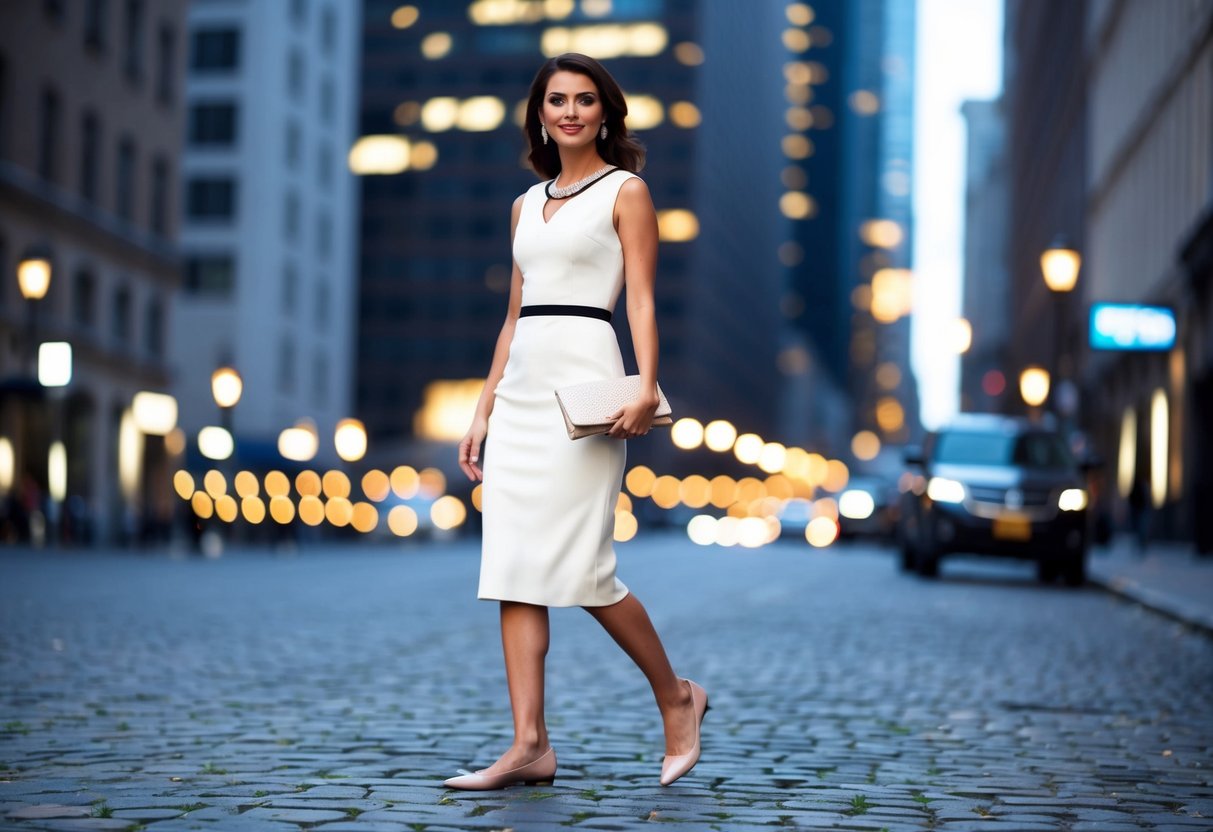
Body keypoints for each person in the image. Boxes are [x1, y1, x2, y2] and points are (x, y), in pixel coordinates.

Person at [449, 53, 707, 791]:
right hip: (523, 389)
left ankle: (676, 696)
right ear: (539, 114)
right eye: (556, 99)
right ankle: (529, 744)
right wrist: (483, 407)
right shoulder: (523, 207)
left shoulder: (627, 191)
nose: (569, 111)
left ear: (604, 114)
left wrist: (644, 385)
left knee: (587, 571)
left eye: (584, 100)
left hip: (586, 383)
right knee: (512, 571)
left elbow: (642, 301)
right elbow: (511, 318)